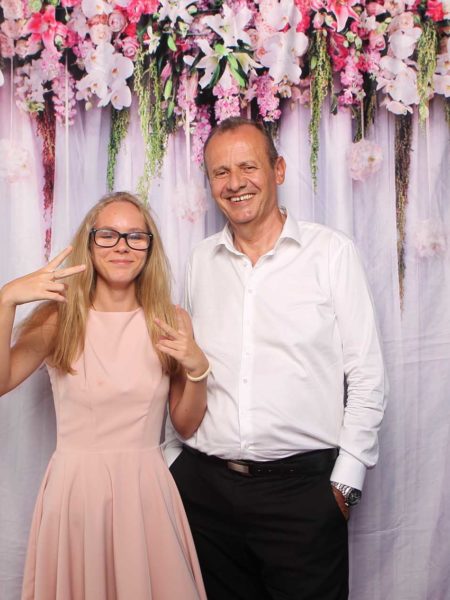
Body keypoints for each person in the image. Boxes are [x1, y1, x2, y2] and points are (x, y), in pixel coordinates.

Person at [166, 117, 387, 600]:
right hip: (206, 493)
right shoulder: (200, 261)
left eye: (248, 167)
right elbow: (184, 366)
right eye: (221, 172)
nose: (235, 183)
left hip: (302, 496)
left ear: (278, 170)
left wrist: (345, 483)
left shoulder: (331, 253)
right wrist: (171, 462)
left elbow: (366, 375)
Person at [0, 192, 209, 600]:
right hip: (76, 493)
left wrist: (198, 368)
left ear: (149, 248)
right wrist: (6, 298)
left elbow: (185, 424)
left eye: (135, 236)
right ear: (90, 243)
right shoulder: (59, 318)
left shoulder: (170, 320)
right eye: (108, 234)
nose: (122, 246)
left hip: (146, 493)